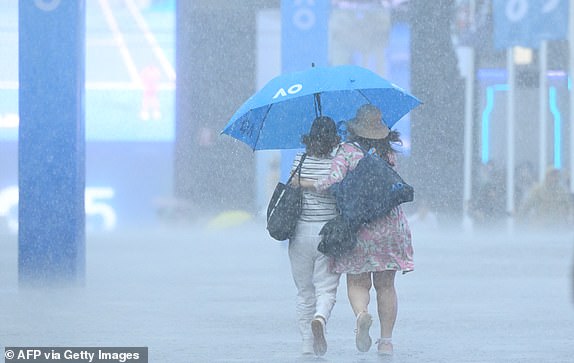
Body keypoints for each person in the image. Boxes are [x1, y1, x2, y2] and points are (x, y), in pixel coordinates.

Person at [299, 104, 414, 356]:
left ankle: (362, 314)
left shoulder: (347, 151)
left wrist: (305, 182)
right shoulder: (387, 152)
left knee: (358, 281)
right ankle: (386, 342)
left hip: (359, 227)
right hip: (391, 226)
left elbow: (332, 181)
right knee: (386, 286)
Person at [287, 116, 342, 357]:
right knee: (326, 288)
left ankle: (307, 346)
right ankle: (320, 317)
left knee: (304, 291)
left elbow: (292, 187)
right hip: (327, 233)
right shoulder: (337, 163)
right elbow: (338, 188)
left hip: (299, 232)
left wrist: (303, 182)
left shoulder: (300, 160)